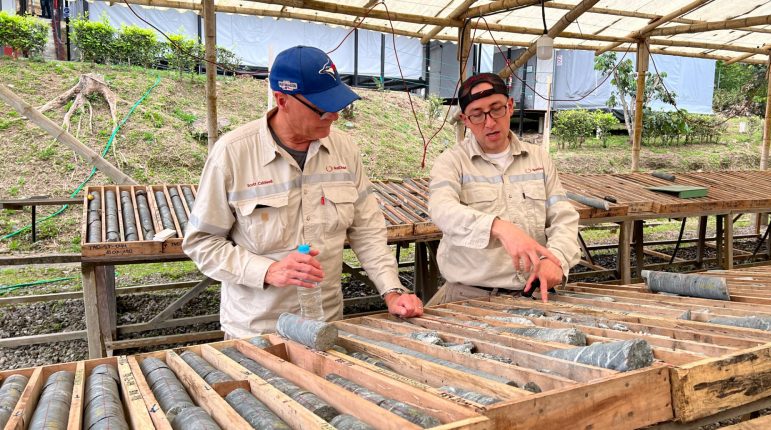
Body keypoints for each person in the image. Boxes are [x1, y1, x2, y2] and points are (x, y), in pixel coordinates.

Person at [183, 45, 423, 339]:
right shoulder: (233, 154)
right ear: (282, 99)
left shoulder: (344, 150)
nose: (333, 116)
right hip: (258, 332)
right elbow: (201, 243)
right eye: (322, 108)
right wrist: (268, 271)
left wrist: (391, 289)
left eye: (338, 106)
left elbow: (367, 229)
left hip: (324, 324)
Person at [427, 73, 580, 305]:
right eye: (477, 115)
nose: (489, 122)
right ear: (465, 120)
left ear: (510, 107)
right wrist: (499, 227)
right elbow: (442, 210)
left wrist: (556, 259)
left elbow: (563, 218)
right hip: (470, 297)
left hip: (535, 294)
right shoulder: (452, 162)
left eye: (496, 109)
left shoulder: (539, 159)